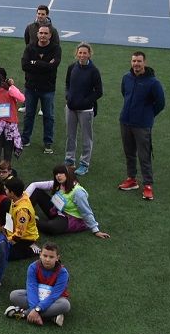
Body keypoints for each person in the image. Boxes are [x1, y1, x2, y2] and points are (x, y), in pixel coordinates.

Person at [118, 51, 166, 201]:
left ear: (144, 62)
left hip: (142, 125)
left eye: (139, 61)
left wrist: (147, 115)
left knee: (144, 156)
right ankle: (131, 179)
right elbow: (124, 93)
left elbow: (160, 103)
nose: (136, 64)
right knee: (129, 153)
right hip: (125, 121)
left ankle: (148, 185)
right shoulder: (126, 77)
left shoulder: (153, 82)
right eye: (134, 61)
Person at [26, 164, 111, 238]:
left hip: (70, 218)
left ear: (68, 174)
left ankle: (29, 220)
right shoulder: (59, 184)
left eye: (61, 173)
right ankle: (23, 212)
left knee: (51, 228)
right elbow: (35, 185)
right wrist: (22, 200)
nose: (58, 176)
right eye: (56, 174)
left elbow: (86, 212)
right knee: (37, 192)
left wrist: (95, 230)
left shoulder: (78, 192)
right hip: (56, 210)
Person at [5, 242, 71, 327]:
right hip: (36, 296)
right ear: (40, 255)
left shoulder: (63, 273)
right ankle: (51, 316)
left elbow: (54, 295)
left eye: (51, 257)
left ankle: (24, 313)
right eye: (45, 256)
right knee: (14, 295)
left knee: (65, 305)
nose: (47, 259)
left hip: (53, 300)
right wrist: (35, 309)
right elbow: (32, 289)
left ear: (57, 258)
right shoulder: (33, 267)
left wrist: (37, 310)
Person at [20, 23, 61, 153]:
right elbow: (25, 65)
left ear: (50, 35)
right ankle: (25, 139)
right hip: (31, 88)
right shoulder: (30, 47)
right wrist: (44, 64)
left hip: (47, 89)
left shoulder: (56, 48)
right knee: (29, 115)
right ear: (37, 34)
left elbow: (53, 67)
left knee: (48, 117)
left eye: (45, 33)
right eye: (41, 33)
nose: (43, 35)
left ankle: (48, 142)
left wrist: (35, 63)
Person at [64, 42, 103, 176]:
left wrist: (86, 101)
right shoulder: (72, 67)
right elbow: (67, 83)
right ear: (76, 53)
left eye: (84, 53)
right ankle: (69, 161)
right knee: (70, 136)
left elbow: (99, 91)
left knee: (86, 138)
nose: (82, 55)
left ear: (89, 54)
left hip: (85, 111)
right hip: (71, 108)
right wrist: (68, 96)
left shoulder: (94, 71)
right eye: (80, 53)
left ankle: (84, 164)